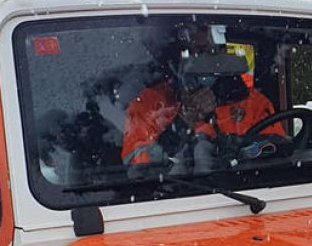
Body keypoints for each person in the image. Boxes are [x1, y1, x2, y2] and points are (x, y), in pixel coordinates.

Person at [121, 24, 284, 172]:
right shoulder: (148, 105)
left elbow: (276, 155)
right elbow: (137, 170)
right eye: (195, 53)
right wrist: (182, 124)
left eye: (211, 52)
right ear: (177, 58)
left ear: (224, 53)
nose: (204, 61)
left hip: (242, 196)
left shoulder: (252, 103)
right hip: (171, 198)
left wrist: (237, 148)